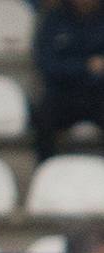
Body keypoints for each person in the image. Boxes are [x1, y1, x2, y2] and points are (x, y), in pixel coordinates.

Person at [31, 0, 104, 162]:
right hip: (62, 94)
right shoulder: (54, 19)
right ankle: (45, 169)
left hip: (99, 94)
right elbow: (47, 65)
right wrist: (86, 67)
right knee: (42, 117)